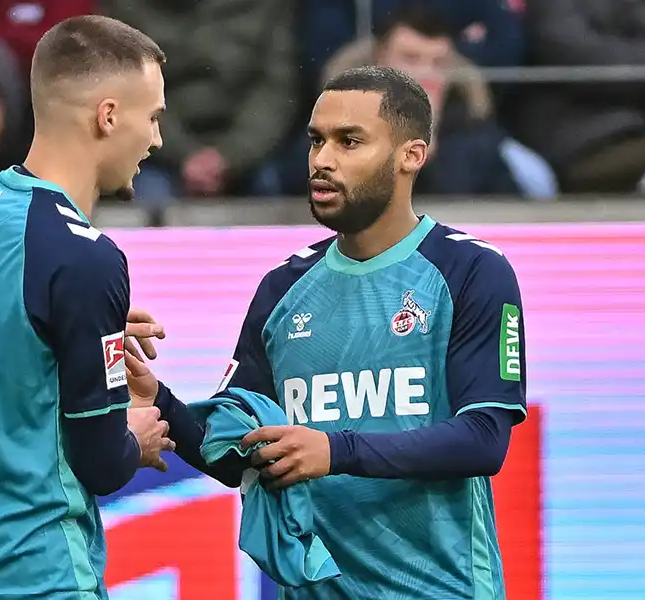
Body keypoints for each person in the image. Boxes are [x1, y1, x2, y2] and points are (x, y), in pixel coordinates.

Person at [127, 65, 527, 599]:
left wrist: (335, 452)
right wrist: (159, 400)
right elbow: (234, 456)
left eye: (349, 141)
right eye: (316, 140)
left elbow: (483, 441)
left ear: (411, 155)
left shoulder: (470, 270)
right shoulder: (282, 288)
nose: (322, 160)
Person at [0, 15, 174, 600]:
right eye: (153, 117)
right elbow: (102, 463)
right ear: (109, 116)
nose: (157, 140)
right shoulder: (84, 260)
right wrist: (137, 440)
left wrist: (59, 331)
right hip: (32, 577)